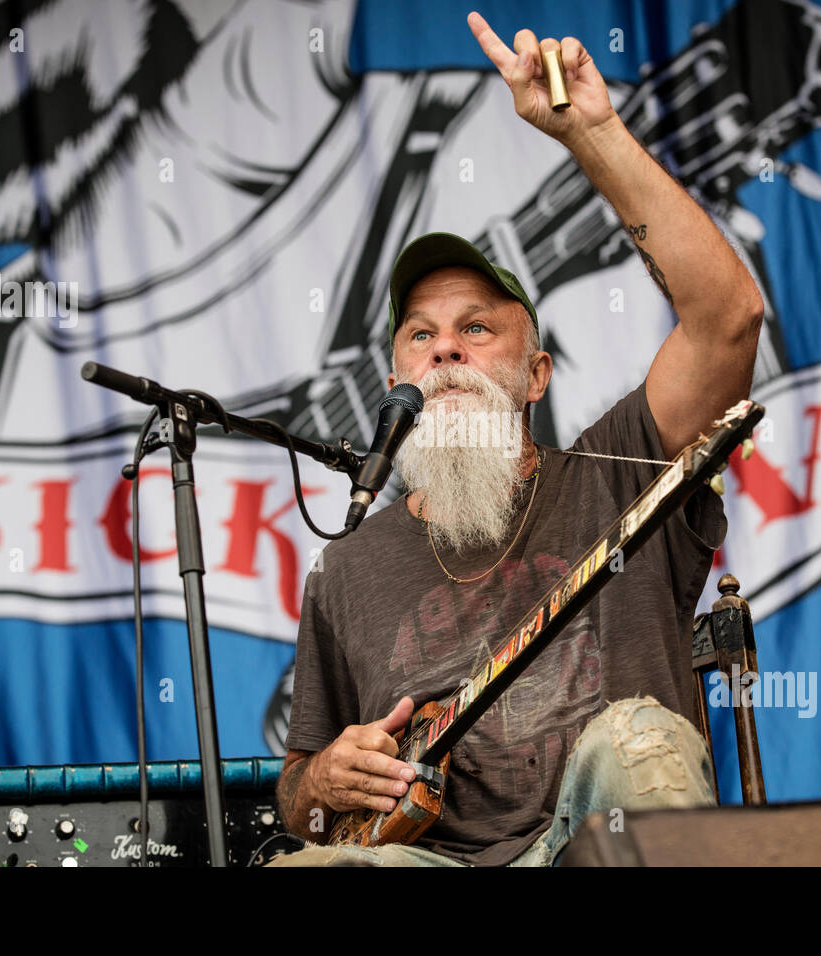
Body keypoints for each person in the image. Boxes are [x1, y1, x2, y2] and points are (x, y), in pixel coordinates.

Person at [269, 12, 762, 866]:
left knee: (637, 737)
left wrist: (591, 133)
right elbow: (299, 802)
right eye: (419, 338)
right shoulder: (345, 567)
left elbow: (728, 319)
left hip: (597, 848)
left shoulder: (625, 467)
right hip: (425, 860)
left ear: (537, 375)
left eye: (477, 329)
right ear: (397, 387)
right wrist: (318, 786)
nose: (446, 348)